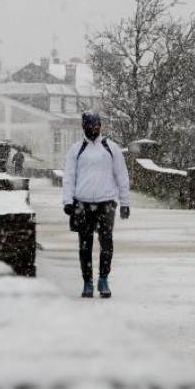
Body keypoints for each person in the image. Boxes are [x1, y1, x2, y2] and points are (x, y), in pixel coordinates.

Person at [62, 111, 130, 298]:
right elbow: (69, 176)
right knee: (85, 245)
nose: (95, 128)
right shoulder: (76, 150)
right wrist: (68, 201)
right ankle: (87, 282)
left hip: (106, 203)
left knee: (106, 243)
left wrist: (125, 202)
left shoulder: (111, 148)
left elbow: (122, 175)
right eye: (92, 125)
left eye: (98, 125)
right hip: (82, 203)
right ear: (84, 126)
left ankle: (103, 279)